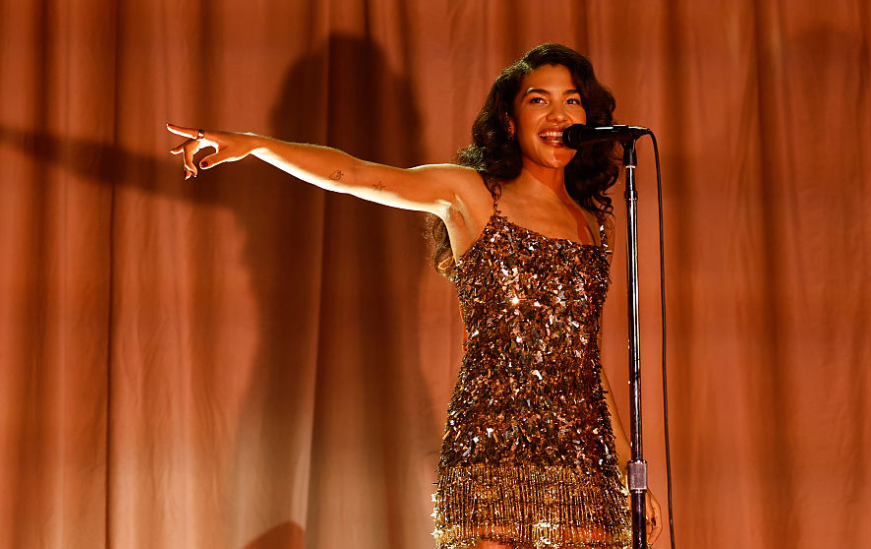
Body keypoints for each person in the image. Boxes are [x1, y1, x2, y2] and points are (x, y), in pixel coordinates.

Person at [168, 43, 662, 549]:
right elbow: (357, 174)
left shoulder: (588, 223)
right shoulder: (473, 192)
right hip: (489, 456)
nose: (559, 114)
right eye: (539, 100)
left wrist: (628, 469)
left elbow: (585, 361)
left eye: (572, 101)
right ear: (510, 121)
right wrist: (258, 145)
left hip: (583, 465)